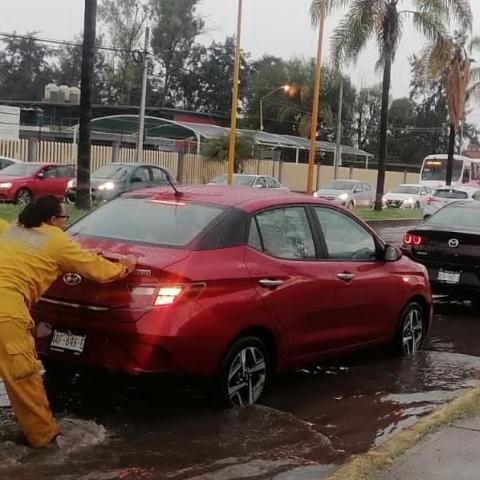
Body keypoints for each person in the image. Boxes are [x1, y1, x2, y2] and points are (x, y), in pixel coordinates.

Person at [0, 196, 136, 448]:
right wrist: (125, 267)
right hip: (6, 314)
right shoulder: (57, 239)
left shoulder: (11, 231)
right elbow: (97, 270)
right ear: (52, 220)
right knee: (24, 381)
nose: (64, 222)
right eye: (64, 218)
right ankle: (45, 444)